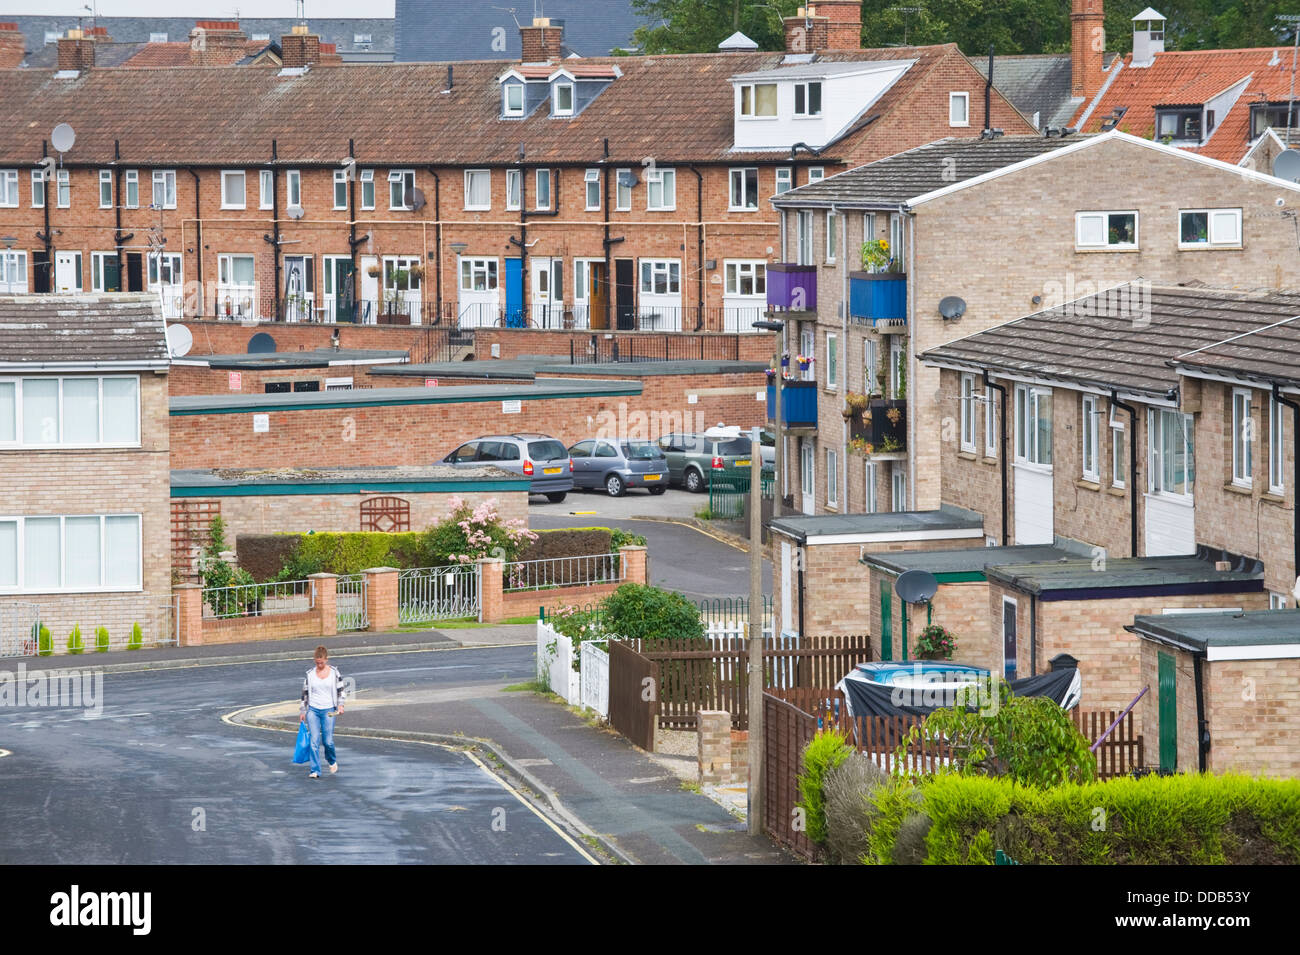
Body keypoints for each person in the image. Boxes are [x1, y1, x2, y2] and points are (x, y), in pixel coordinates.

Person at [300, 646, 346, 779]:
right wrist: (303, 710)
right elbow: (305, 693)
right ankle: (315, 770)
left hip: (328, 710)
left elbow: (341, 690)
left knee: (328, 741)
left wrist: (341, 705)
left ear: (326, 659)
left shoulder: (334, 673)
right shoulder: (310, 674)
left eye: (322, 662)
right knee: (314, 741)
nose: (319, 665)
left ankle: (331, 760)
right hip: (313, 710)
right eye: (317, 662)